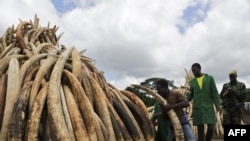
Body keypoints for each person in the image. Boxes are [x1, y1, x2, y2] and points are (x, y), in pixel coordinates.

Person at [186, 63, 222, 141]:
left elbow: (214, 92)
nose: (193, 72)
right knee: (200, 130)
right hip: (198, 107)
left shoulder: (209, 78)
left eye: (195, 70)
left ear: (199, 69)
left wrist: (218, 104)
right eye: (192, 71)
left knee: (211, 127)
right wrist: (185, 101)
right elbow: (191, 94)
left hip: (208, 107)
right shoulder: (192, 82)